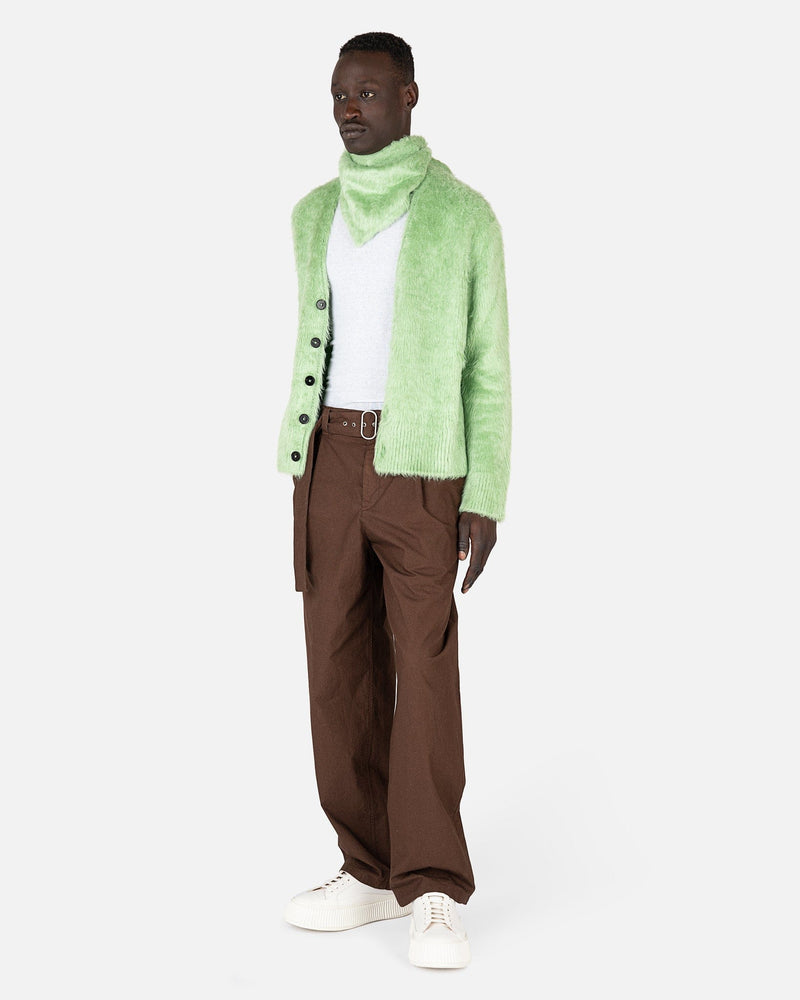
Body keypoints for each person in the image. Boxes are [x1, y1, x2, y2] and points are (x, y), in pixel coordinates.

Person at [276, 30, 511, 969]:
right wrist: (311, 469)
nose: (350, 109)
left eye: (368, 93)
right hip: (328, 461)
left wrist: (485, 490)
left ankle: (434, 887)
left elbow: (487, 366)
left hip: (422, 469)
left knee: (425, 671)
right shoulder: (312, 214)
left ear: (409, 97)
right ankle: (366, 868)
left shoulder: (463, 215)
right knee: (336, 669)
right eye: (340, 94)